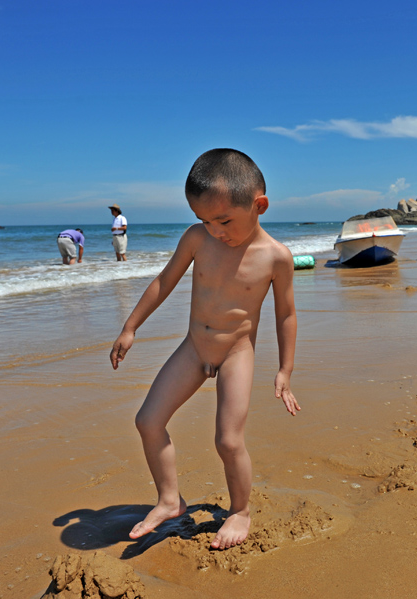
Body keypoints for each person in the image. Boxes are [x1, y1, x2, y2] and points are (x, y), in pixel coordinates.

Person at [109, 148, 299, 551]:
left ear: (259, 205)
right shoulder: (198, 240)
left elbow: (286, 314)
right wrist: (130, 326)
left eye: (224, 220)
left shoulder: (276, 258)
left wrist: (285, 369)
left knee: (228, 441)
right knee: (148, 421)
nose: (215, 230)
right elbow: (164, 282)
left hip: (236, 354)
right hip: (194, 349)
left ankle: (241, 510)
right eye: (204, 221)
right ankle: (169, 499)